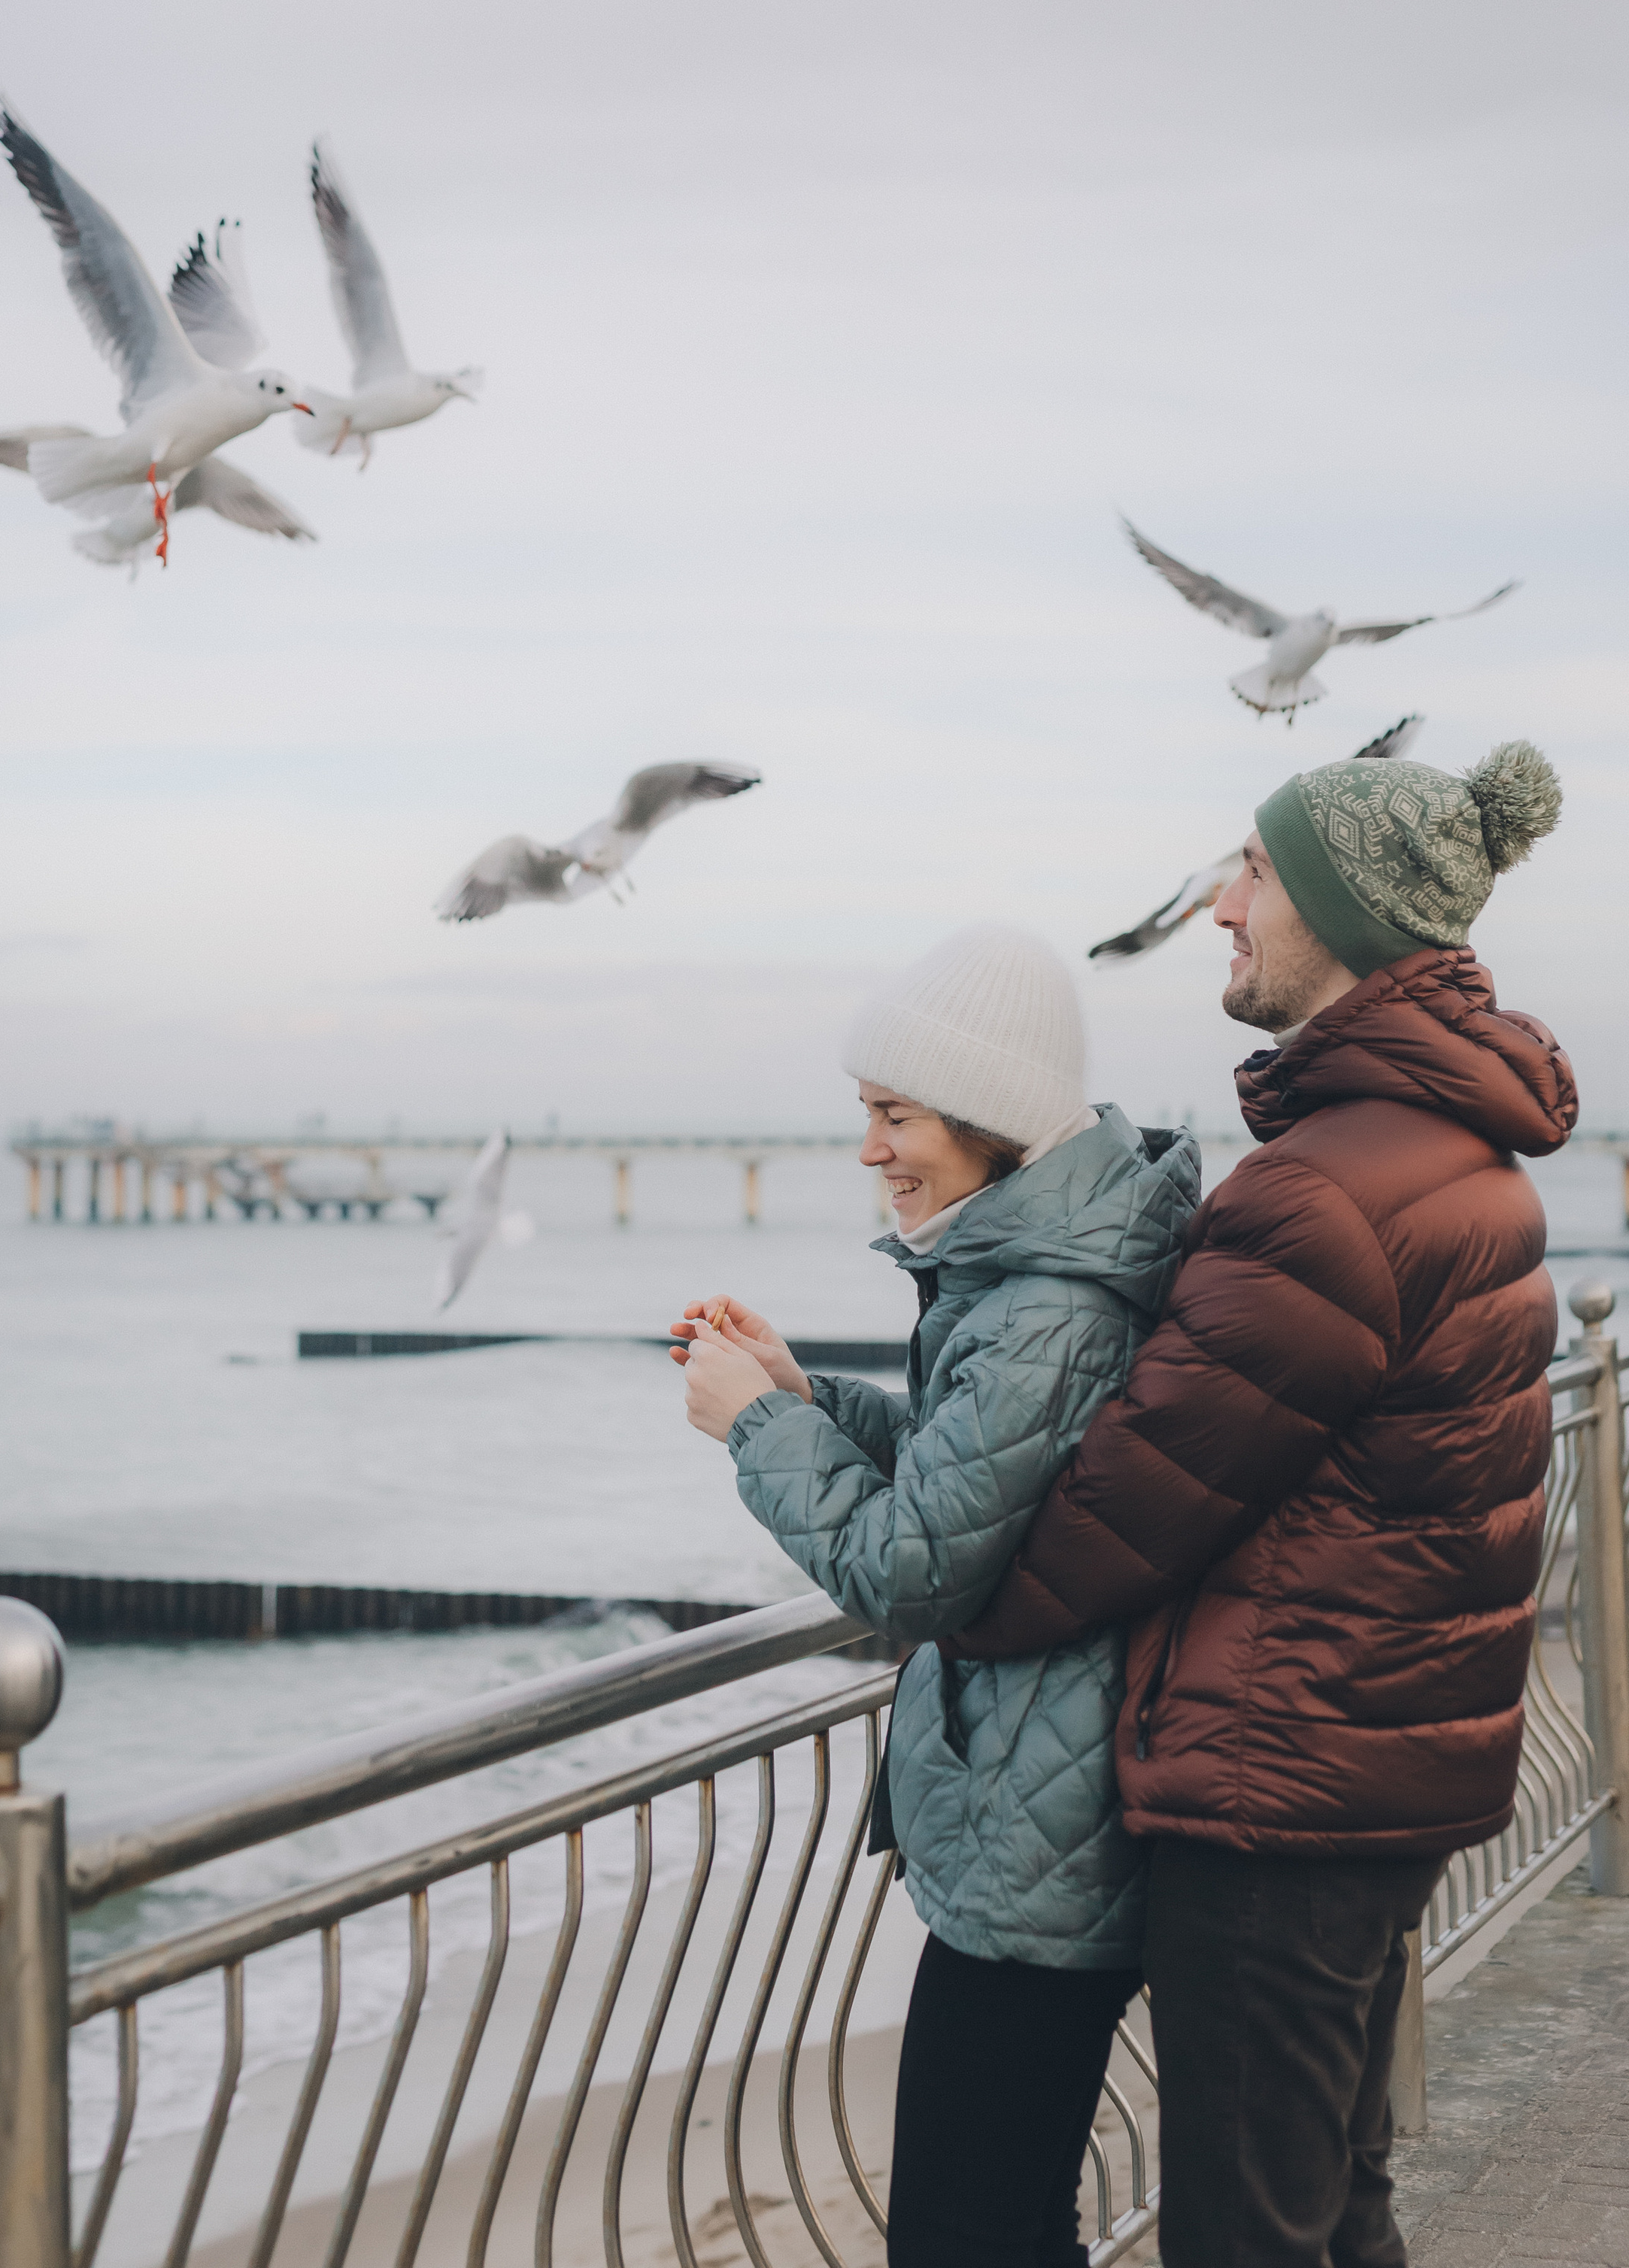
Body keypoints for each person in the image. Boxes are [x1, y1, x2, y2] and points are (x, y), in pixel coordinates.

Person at [942, 740, 1576, 2268]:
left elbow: (1132, 1500)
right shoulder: (1449, 1153)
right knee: (1324, 2205)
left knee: (1244, 2232)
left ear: (1345, 916)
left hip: (1277, 1781)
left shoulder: (1323, 1190)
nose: (1221, 902)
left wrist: (951, 1611)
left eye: (1254, 871)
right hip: (1370, 1757)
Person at [672, 921, 1199, 2268]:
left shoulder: (1049, 1310)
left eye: (890, 1114)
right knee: (1012, 2225)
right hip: (1047, 1811)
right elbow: (974, 1478)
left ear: (992, 1119)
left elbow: (912, 1570)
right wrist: (803, 1395)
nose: (869, 1150)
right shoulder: (1040, 1278)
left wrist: (755, 1434)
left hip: (1044, 1839)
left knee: (964, 2239)